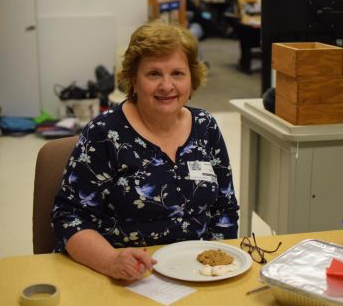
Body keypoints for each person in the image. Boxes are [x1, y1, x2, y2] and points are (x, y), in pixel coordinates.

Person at [51, 20, 239, 281]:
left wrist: (217, 269)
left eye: (177, 73)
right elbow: (69, 217)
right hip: (124, 276)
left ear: (192, 79)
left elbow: (225, 208)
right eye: (154, 74)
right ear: (133, 80)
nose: (166, 85)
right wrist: (111, 262)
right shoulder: (105, 134)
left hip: (197, 273)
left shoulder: (205, 127)